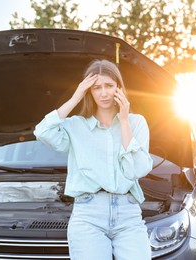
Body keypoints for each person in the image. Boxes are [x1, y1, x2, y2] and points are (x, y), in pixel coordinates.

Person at [34, 59, 153, 260]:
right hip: (88, 215)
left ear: (119, 88)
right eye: (97, 87)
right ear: (89, 91)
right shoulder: (75, 126)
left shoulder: (136, 122)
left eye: (109, 86)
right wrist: (75, 97)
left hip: (128, 215)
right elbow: (42, 131)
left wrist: (124, 121)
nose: (104, 93)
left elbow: (137, 170)